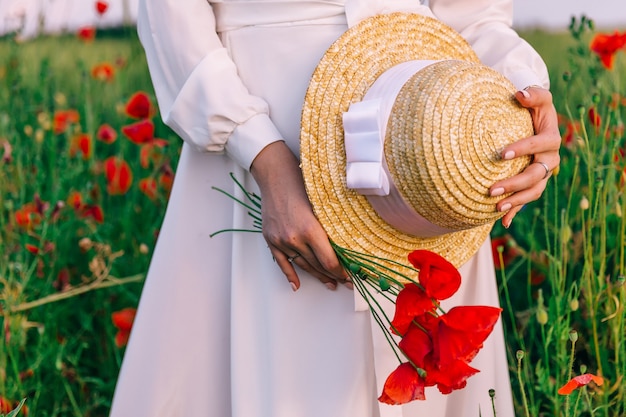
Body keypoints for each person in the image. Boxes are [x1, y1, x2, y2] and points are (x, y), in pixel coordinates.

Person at [109, 1, 561, 416]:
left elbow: (476, 17)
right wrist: (262, 154)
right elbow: (173, 20)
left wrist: (521, 96)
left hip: (427, 150)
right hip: (264, 139)